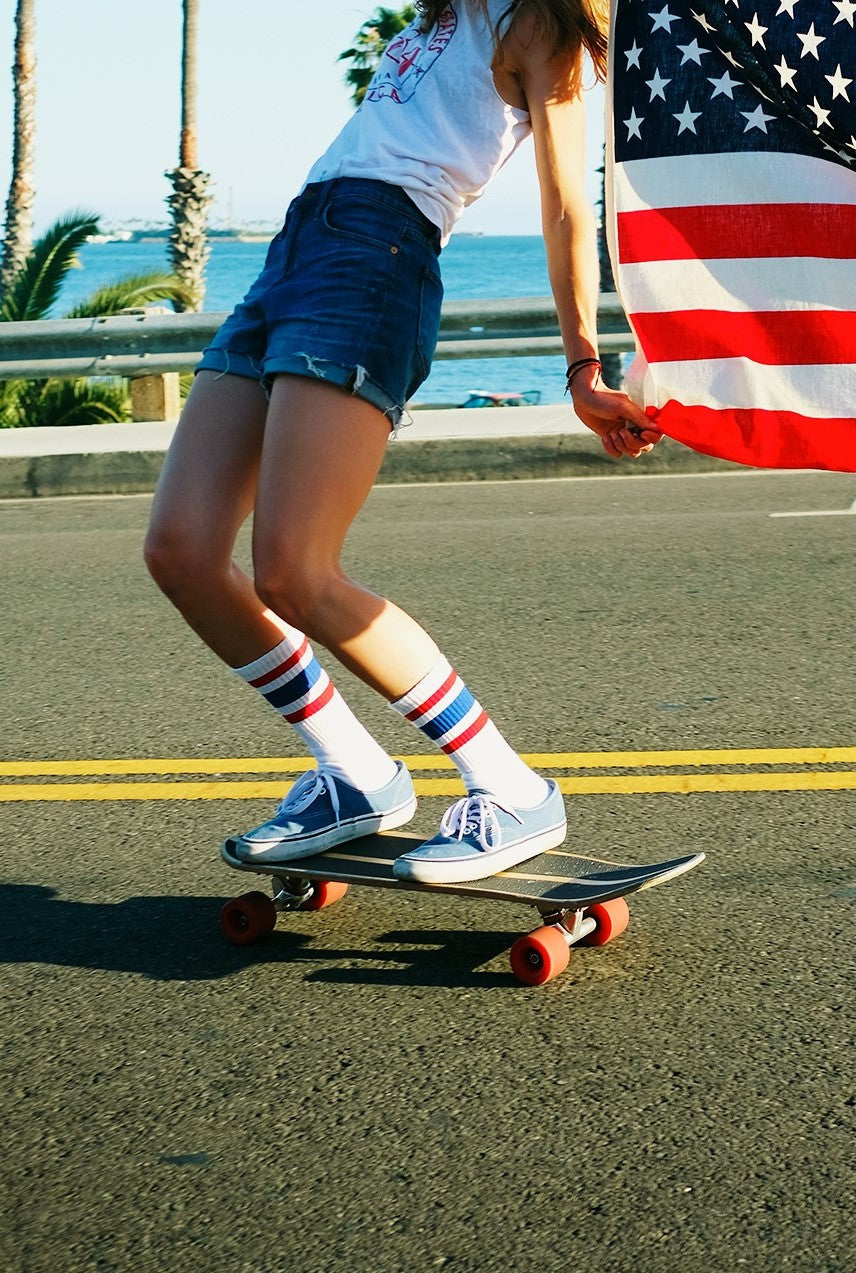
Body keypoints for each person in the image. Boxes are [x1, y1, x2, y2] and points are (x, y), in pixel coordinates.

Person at [144, 0, 658, 884]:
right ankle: (355, 774)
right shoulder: (443, 14)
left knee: (294, 570)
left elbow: (569, 203)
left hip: (375, 258)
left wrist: (580, 365)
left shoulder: (541, 26)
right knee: (182, 549)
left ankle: (511, 787)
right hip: (295, 249)